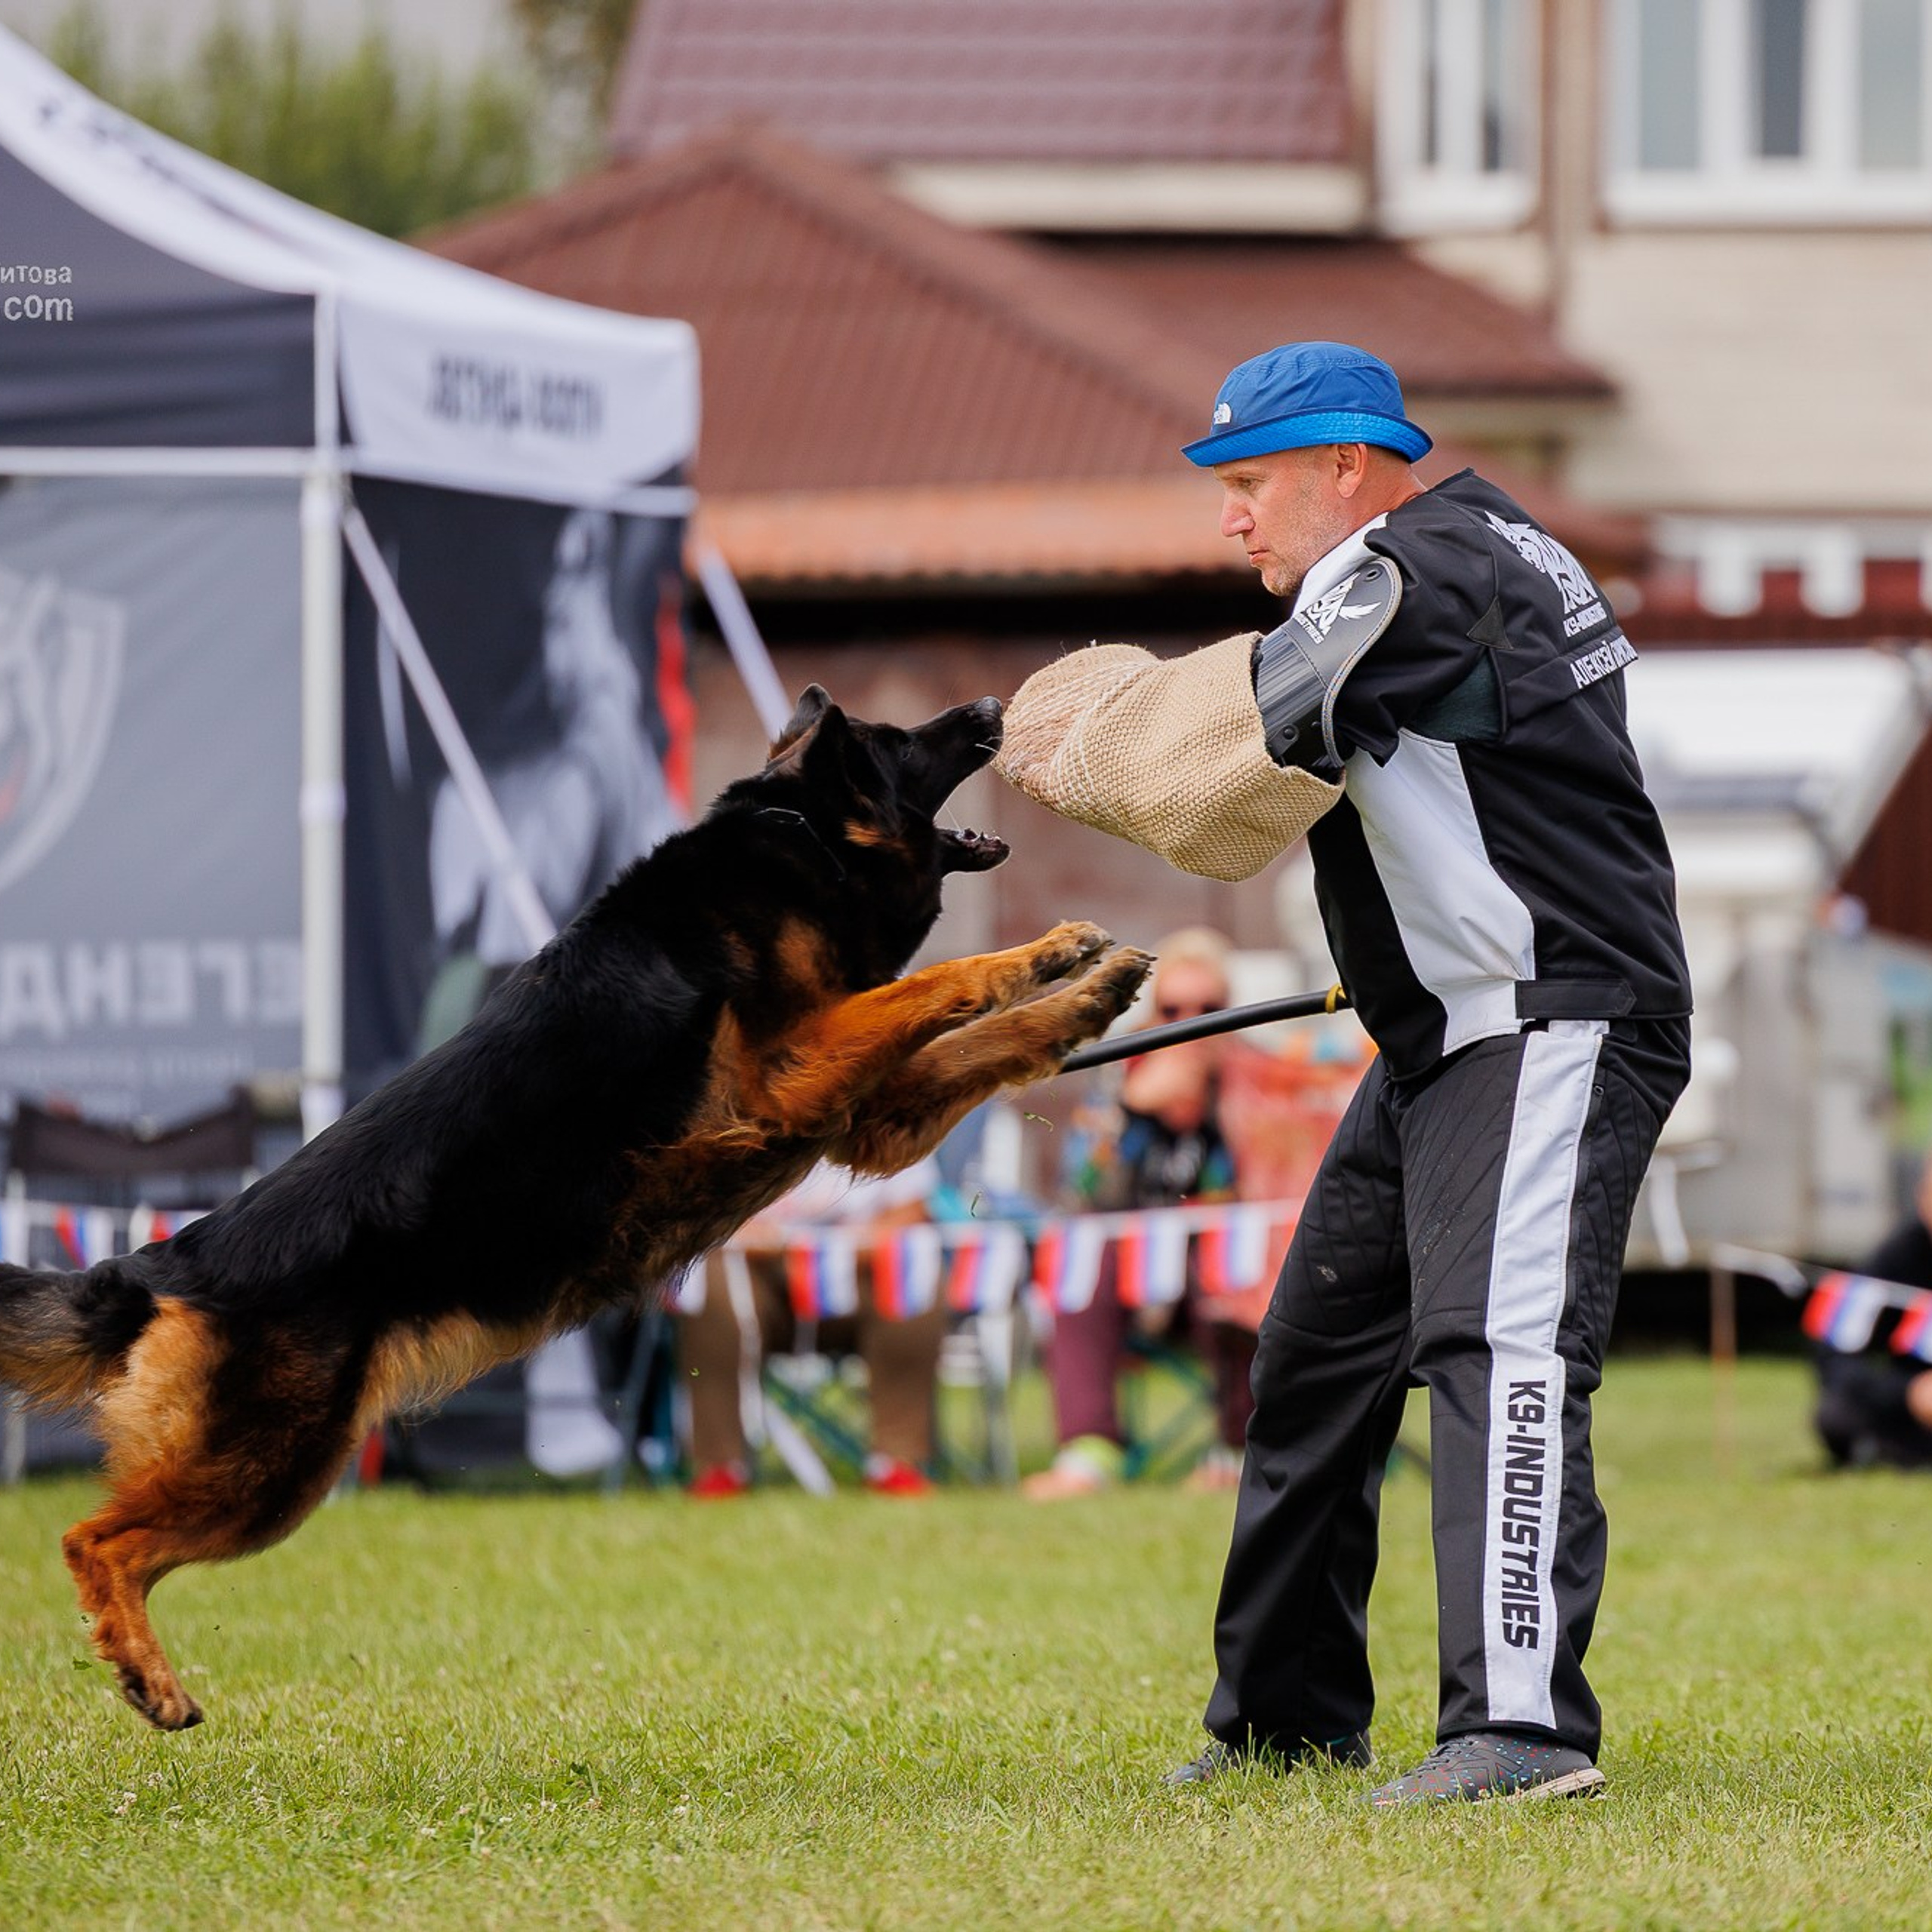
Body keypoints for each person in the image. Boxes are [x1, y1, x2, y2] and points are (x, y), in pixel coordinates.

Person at [996, 341, 1692, 1807]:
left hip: (1546, 1019)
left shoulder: (1407, 571)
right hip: (1440, 1025)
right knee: (1310, 1362)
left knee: (1492, 1351)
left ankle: (1517, 1732)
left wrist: (1095, 738)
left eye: (1247, 483)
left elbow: (1226, 782)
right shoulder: (1467, 544)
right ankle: (1285, 1720)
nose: (1229, 517)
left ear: (1341, 462)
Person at [1023, 928, 1255, 1499]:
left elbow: (1266, 1186)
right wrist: (1132, 1113)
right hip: (1132, 1267)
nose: (1192, 1023)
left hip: (1217, 1269)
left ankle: (1239, 1450)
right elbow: (1084, 1195)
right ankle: (1090, 1449)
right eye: (1174, 1009)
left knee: (1238, 1270)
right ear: (1153, 1015)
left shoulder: (1252, 1076)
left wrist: (1227, 1109)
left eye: (1210, 1010)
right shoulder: (1122, 1073)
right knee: (1083, 1264)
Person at [678, 1158, 948, 1497]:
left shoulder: (886, 1119)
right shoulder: (744, 1118)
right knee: (713, 1276)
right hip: (761, 1280)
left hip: (858, 1274)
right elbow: (705, 1212)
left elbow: (912, 1211)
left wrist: (830, 1252)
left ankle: (897, 1460)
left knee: (914, 1271)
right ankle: (721, 1466)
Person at [1813, 1148, 1932, 1469]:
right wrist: (1911, 1393)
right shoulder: (1896, 1257)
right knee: (1836, 1415)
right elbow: (1834, 1358)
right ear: (1921, 1195)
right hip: (1917, 1409)